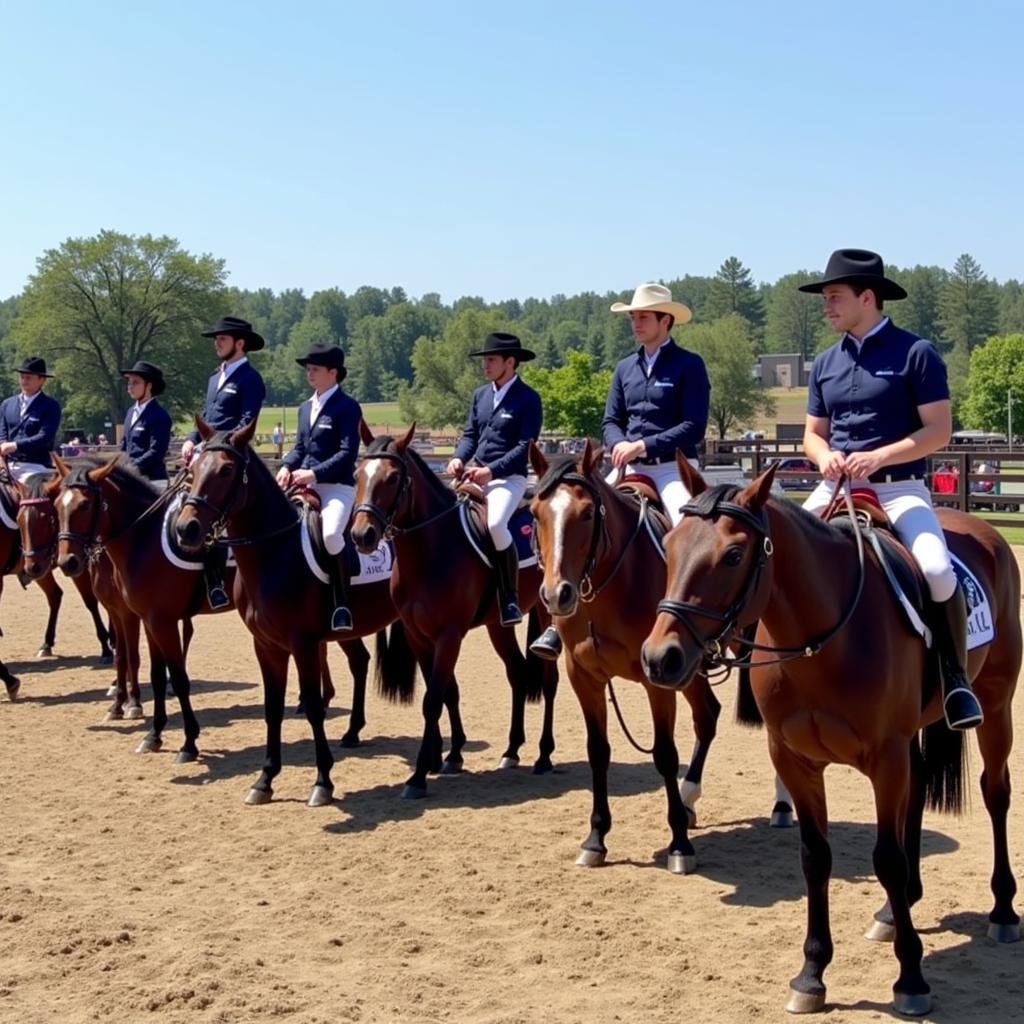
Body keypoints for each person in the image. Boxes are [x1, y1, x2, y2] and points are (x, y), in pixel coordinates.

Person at [799, 248, 983, 730]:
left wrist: (881, 456)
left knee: (939, 570)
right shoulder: (824, 363)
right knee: (773, 551)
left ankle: (956, 679)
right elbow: (812, 434)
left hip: (898, 487)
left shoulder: (916, 353)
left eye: (835, 297)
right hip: (837, 486)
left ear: (868, 297)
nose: (827, 306)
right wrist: (824, 457)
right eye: (825, 298)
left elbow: (938, 431)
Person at [531, 283, 710, 660]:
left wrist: (643, 445)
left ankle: (697, 622)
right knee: (576, 516)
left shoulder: (688, 365)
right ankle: (555, 621)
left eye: (643, 316)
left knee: (688, 530)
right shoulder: (625, 367)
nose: (636, 322)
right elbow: (611, 419)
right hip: (625, 465)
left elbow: (694, 425)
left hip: (671, 469)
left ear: (666, 320)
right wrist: (617, 445)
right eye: (633, 316)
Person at [445, 332, 542, 626]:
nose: (485, 365)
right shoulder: (480, 395)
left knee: (496, 523)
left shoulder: (528, 399)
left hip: (508, 479)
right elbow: (471, 435)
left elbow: (525, 447)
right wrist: (459, 457)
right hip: (475, 473)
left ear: (510, 362)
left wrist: (491, 471)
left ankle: (509, 596)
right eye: (484, 360)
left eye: (491, 360)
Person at [181, 315, 267, 608]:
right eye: (216, 339)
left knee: (213, 512)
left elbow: (246, 422)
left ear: (239, 343)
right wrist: (192, 439)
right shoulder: (213, 378)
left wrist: (213, 445)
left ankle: (217, 581)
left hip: (233, 457)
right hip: (207, 455)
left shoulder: (250, 379)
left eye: (222, 339)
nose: (216, 343)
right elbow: (206, 418)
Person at [276, 344, 361, 632]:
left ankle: (341, 602)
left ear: (332, 373)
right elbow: (299, 447)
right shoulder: (304, 408)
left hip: (336, 487)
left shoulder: (347, 407)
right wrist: (286, 466)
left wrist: (313, 473)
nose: (309, 374)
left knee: (331, 534)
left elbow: (347, 453)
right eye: (308, 369)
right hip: (302, 483)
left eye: (315, 369)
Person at [0, 355, 62, 484]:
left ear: (41, 379)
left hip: (34, 466)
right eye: (22, 376)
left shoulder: (50, 406)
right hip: (7, 464)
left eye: (28, 377)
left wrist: (15, 445)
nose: (24, 380)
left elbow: (45, 437)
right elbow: (2, 432)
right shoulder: (7, 404)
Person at [119, 360, 172, 489]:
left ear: (149, 386)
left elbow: (157, 451)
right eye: (129, 383)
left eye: (135, 382)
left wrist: (132, 466)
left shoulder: (160, 415)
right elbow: (125, 445)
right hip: (131, 477)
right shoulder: (130, 412)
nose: (130, 386)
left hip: (153, 481)